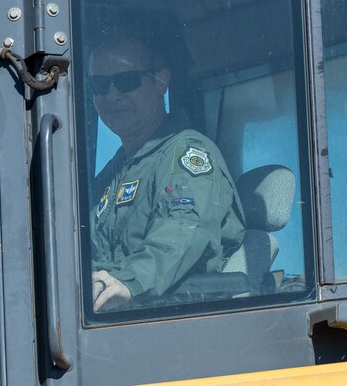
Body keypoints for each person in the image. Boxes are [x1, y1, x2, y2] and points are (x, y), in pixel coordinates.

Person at [86, 33, 245, 312]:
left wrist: (127, 282)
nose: (111, 95)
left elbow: (182, 229)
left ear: (160, 81)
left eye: (126, 81)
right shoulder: (116, 171)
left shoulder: (186, 153)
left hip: (175, 322)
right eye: (99, 85)